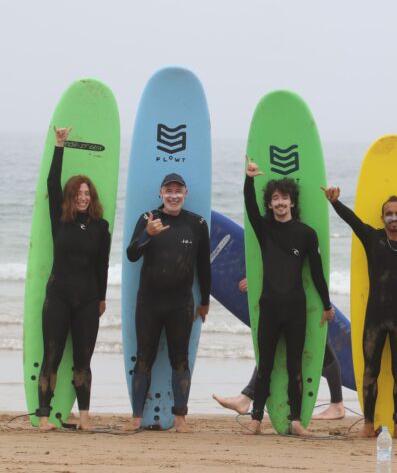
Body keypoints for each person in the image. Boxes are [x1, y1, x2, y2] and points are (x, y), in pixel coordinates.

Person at [322, 185, 397, 439]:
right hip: (375, 317)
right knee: (370, 370)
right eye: (389, 213)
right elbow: (352, 221)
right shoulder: (372, 238)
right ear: (383, 218)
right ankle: (368, 424)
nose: (394, 218)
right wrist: (335, 203)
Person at [243, 157, 334, 436]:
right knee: (266, 364)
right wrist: (249, 179)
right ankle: (256, 419)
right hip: (269, 306)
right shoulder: (264, 229)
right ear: (269, 204)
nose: (280, 203)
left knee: (295, 364)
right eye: (274, 199)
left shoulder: (307, 234)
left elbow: (317, 273)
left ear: (292, 202)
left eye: (284, 198)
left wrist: (327, 305)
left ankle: (296, 422)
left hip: (296, 308)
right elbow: (249, 206)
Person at [36, 127, 111, 431]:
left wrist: (103, 297)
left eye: (87, 194)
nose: (83, 197)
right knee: (51, 355)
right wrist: (59, 146)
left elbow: (103, 264)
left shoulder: (100, 226)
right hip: (59, 296)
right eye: (78, 194)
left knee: (83, 359)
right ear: (70, 197)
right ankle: (43, 416)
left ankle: (84, 418)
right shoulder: (60, 219)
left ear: (91, 197)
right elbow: (52, 182)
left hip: (88, 299)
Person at [123, 172, 211, 433]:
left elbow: (203, 266)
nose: (173, 195)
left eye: (178, 191)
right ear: (161, 193)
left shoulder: (197, 223)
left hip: (181, 303)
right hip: (149, 302)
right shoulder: (148, 219)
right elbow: (131, 254)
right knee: (143, 358)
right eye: (168, 190)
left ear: (185, 194)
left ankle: (180, 417)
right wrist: (147, 235)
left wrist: (204, 300)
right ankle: (136, 417)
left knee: (180, 360)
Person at [212, 279, 346, 420]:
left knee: (321, 348)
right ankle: (245, 398)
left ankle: (337, 405)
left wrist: (258, 279)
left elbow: (296, 267)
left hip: (305, 297)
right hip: (301, 296)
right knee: (276, 346)